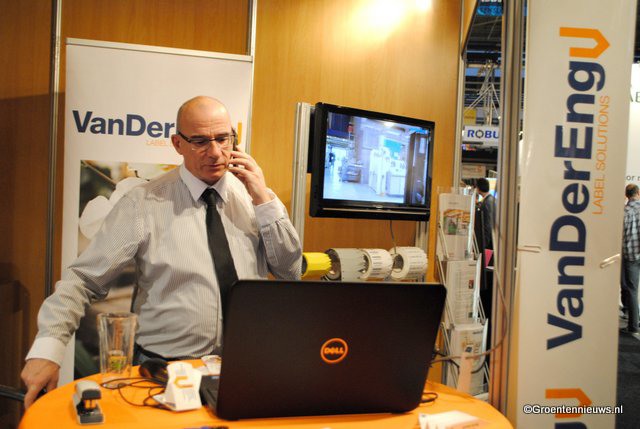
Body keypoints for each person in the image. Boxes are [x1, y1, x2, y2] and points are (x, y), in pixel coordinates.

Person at [20, 96, 303, 408]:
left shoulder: (255, 197)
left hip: (247, 364)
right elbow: (83, 280)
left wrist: (263, 199)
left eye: (223, 139)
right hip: (165, 372)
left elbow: (290, 271)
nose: (215, 152)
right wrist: (48, 349)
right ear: (177, 144)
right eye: (200, 141)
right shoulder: (143, 203)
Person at [620, 183, 640, 334]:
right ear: (638, 193)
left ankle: (633, 325)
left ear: (626, 195)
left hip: (630, 255)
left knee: (632, 290)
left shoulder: (624, 212)